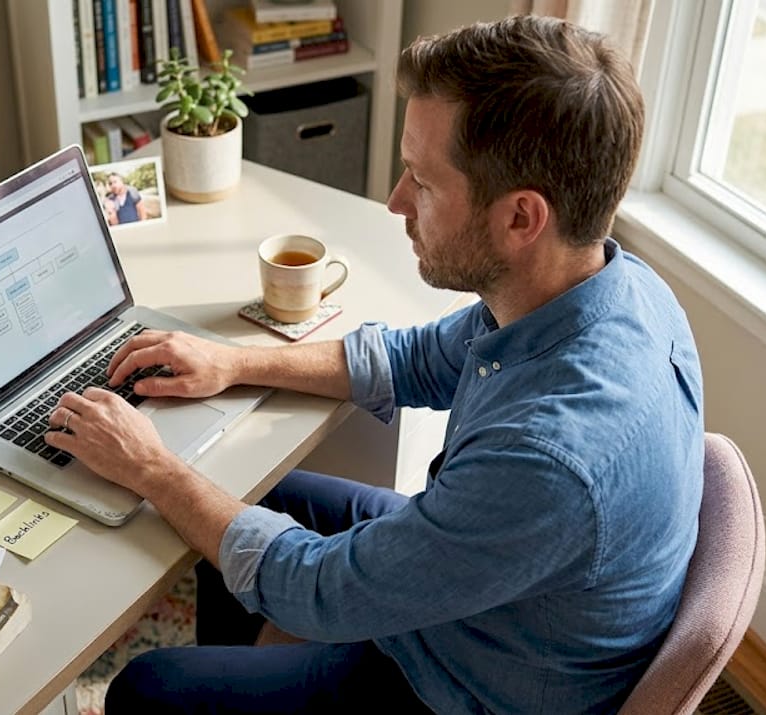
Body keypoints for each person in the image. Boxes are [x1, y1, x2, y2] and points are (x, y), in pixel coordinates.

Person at [45, 15, 704, 714]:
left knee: (148, 691)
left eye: (421, 181)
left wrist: (152, 467)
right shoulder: (609, 288)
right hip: (492, 599)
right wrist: (231, 361)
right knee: (244, 496)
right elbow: (415, 359)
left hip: (463, 680)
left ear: (520, 218)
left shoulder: (549, 459)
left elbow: (321, 589)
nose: (395, 201)